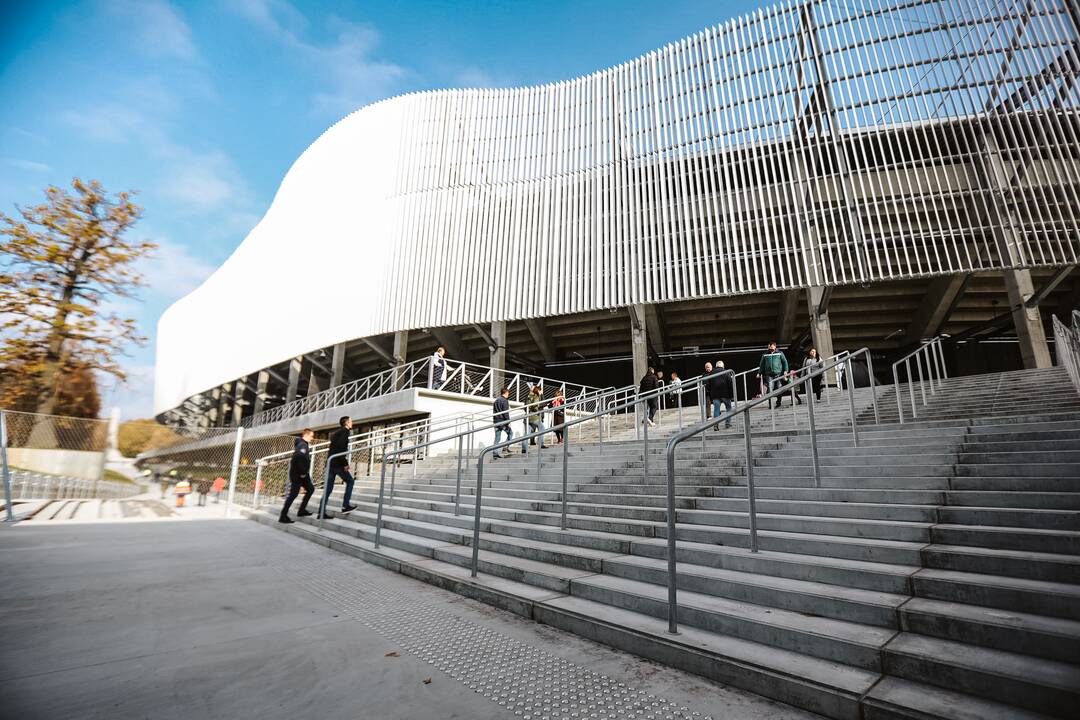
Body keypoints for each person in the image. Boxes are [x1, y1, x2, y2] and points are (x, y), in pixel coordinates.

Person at [280, 428, 315, 524]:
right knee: (293, 495)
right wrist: (302, 473)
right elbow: (297, 458)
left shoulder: (303, 444)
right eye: (312, 436)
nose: (312, 438)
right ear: (306, 435)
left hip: (302, 474)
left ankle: (301, 510)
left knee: (311, 489)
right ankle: (283, 516)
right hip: (299, 474)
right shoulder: (302, 445)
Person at [324, 416, 357, 519]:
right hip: (337, 464)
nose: (352, 423)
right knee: (350, 481)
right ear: (347, 423)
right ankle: (345, 506)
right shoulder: (344, 432)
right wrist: (345, 464)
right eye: (351, 421)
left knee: (328, 489)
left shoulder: (337, 432)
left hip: (331, 463)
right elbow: (340, 450)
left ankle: (321, 512)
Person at [758, 341, 789, 408]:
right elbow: (762, 364)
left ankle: (778, 402)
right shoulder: (765, 354)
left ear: (775, 346)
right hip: (769, 375)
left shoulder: (780, 353)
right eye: (769, 346)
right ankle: (770, 404)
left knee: (779, 388)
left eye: (771, 346)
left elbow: (785, 362)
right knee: (770, 388)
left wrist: (785, 371)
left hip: (779, 373)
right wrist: (759, 373)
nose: (770, 348)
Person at [706, 361, 735, 429]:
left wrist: (711, 394)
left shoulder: (711, 373)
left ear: (716, 366)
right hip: (725, 395)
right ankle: (727, 424)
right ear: (723, 366)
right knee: (728, 408)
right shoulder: (726, 372)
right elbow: (730, 384)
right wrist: (731, 396)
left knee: (716, 409)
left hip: (715, 395)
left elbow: (708, 385)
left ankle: (716, 424)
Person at [526, 385, 550, 450]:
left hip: (531, 416)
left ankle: (525, 447)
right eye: (540, 390)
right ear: (538, 390)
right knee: (541, 428)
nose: (541, 391)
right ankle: (540, 443)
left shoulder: (529, 396)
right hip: (536, 415)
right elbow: (540, 404)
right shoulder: (536, 396)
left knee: (530, 430)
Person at [492, 387, 514, 459]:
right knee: (510, 433)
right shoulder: (504, 401)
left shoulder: (496, 400)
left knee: (497, 438)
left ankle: (495, 453)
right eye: (508, 393)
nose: (508, 395)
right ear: (506, 393)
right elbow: (505, 412)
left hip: (496, 421)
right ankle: (505, 447)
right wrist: (508, 421)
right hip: (502, 421)